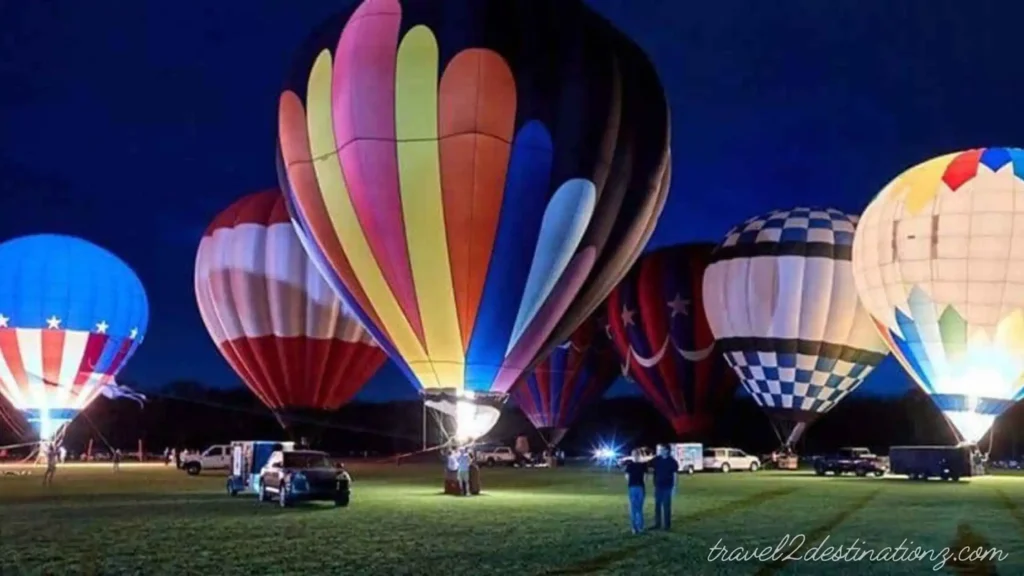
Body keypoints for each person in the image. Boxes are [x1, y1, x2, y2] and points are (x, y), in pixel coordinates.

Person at [651, 444, 678, 530]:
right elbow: (648, 465)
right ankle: (657, 524)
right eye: (661, 450)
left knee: (666, 506)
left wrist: (674, 486)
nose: (661, 451)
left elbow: (675, 475)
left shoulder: (672, 462)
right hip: (658, 486)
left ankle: (667, 525)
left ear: (667, 450)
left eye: (663, 449)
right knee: (657, 506)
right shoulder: (657, 459)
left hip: (667, 486)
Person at [623, 449, 647, 534]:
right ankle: (639, 527)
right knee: (639, 509)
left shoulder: (630, 465)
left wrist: (632, 482)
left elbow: (627, 477)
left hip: (633, 487)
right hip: (640, 487)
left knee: (634, 508)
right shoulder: (643, 465)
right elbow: (645, 478)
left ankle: (634, 528)